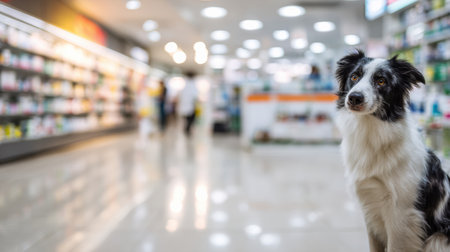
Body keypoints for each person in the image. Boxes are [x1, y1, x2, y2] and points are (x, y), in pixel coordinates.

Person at [178, 72, 198, 136]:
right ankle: (187, 130)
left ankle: (187, 129)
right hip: (190, 106)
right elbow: (195, 96)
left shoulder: (185, 85)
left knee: (187, 119)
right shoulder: (192, 85)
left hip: (187, 106)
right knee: (190, 119)